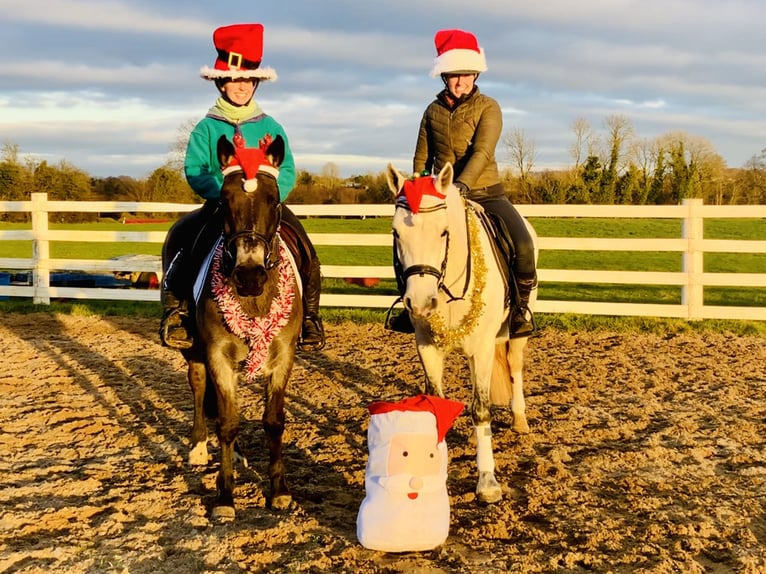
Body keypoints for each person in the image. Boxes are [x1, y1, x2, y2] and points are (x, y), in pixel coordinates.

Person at [160, 23, 325, 351]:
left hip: (264, 207)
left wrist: (270, 197)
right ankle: (177, 311)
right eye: (234, 79)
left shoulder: (270, 125)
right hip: (223, 206)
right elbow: (195, 170)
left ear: (256, 82)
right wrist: (224, 192)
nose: (241, 86)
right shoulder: (206, 128)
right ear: (221, 81)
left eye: (248, 78)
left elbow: (287, 168)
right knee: (185, 239)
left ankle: (309, 317)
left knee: (306, 248)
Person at [393, 28, 537, 338]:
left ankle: (520, 311)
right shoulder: (431, 112)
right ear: (444, 76)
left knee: (523, 243)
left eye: (468, 74)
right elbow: (421, 159)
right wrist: (418, 191)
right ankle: (408, 308)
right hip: (439, 196)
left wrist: (461, 188)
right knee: (405, 240)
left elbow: (483, 152)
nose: (463, 81)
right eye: (455, 75)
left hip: (485, 193)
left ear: (476, 73)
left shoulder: (489, 107)